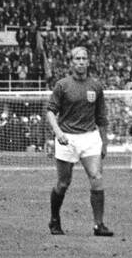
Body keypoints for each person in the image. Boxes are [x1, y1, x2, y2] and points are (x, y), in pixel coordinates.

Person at [46, 47, 112, 236]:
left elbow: (101, 117)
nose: (81, 61)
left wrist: (104, 143)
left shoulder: (96, 86)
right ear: (71, 62)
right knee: (63, 183)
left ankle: (99, 225)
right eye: (77, 58)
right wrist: (58, 132)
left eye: (84, 58)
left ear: (88, 62)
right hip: (67, 138)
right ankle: (54, 220)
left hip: (90, 138)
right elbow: (50, 111)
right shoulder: (62, 85)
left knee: (96, 178)